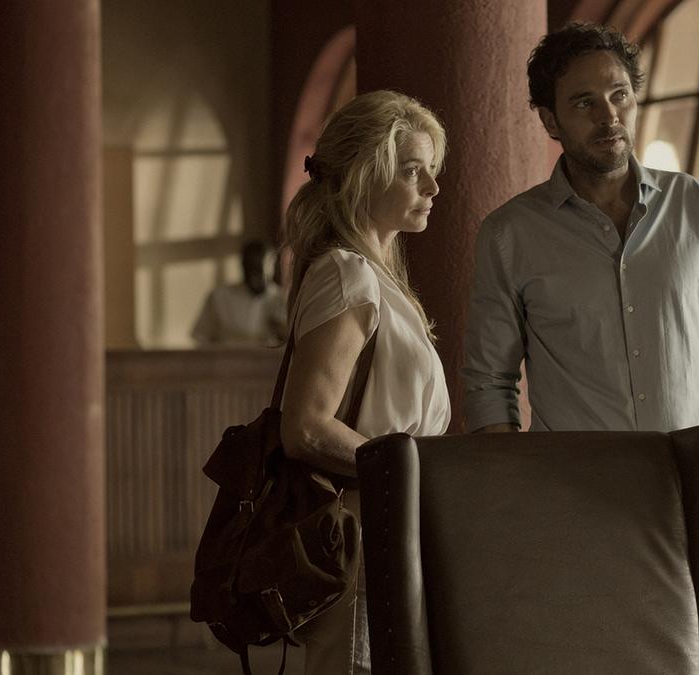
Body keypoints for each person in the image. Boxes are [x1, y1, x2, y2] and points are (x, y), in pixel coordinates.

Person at [461, 19, 699, 642]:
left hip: (697, 503)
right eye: (584, 102)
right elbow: (489, 385)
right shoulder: (510, 235)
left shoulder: (696, 208)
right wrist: (513, 506)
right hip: (574, 510)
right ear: (550, 120)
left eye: (619, 95)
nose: (608, 116)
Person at [279, 90, 450, 674]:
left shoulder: (374, 277)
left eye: (431, 169)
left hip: (387, 518)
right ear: (363, 176)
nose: (432, 187)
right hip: (361, 527)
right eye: (412, 171)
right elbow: (305, 427)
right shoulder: (347, 274)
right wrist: (410, 471)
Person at [191, 239, 288, 346]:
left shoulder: (282, 299)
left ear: (273, 265)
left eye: (261, 267)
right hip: (228, 355)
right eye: (251, 267)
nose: (257, 274)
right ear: (242, 266)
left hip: (269, 356)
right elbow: (201, 338)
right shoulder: (219, 297)